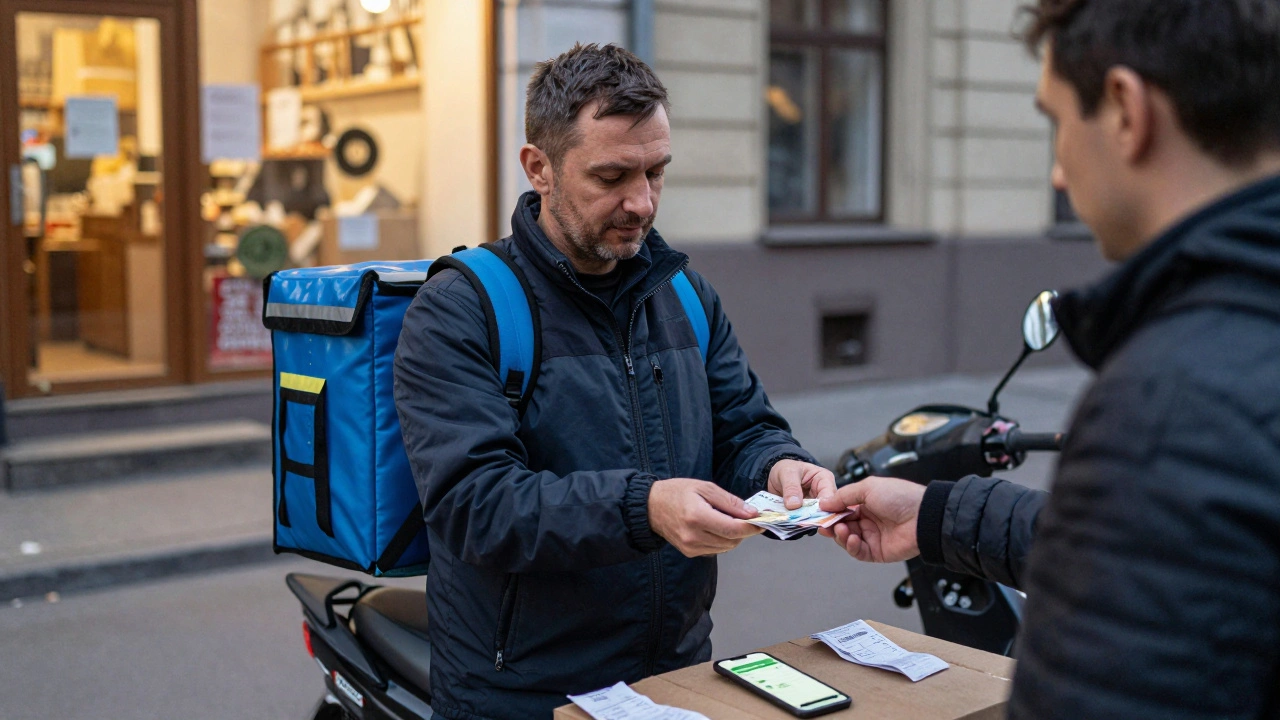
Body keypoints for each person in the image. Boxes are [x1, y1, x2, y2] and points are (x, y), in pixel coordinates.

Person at [818, 1, 1280, 717]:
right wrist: (939, 516)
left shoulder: (1174, 402)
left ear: (1126, 110)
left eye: (1058, 122)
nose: (1060, 173)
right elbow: (1156, 559)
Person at [393, 43, 835, 720]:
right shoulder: (462, 308)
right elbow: (473, 505)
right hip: (521, 693)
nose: (642, 201)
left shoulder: (686, 295)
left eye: (657, 172)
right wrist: (646, 506)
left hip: (675, 671)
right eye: (612, 176)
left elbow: (744, 425)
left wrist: (780, 467)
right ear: (538, 167)